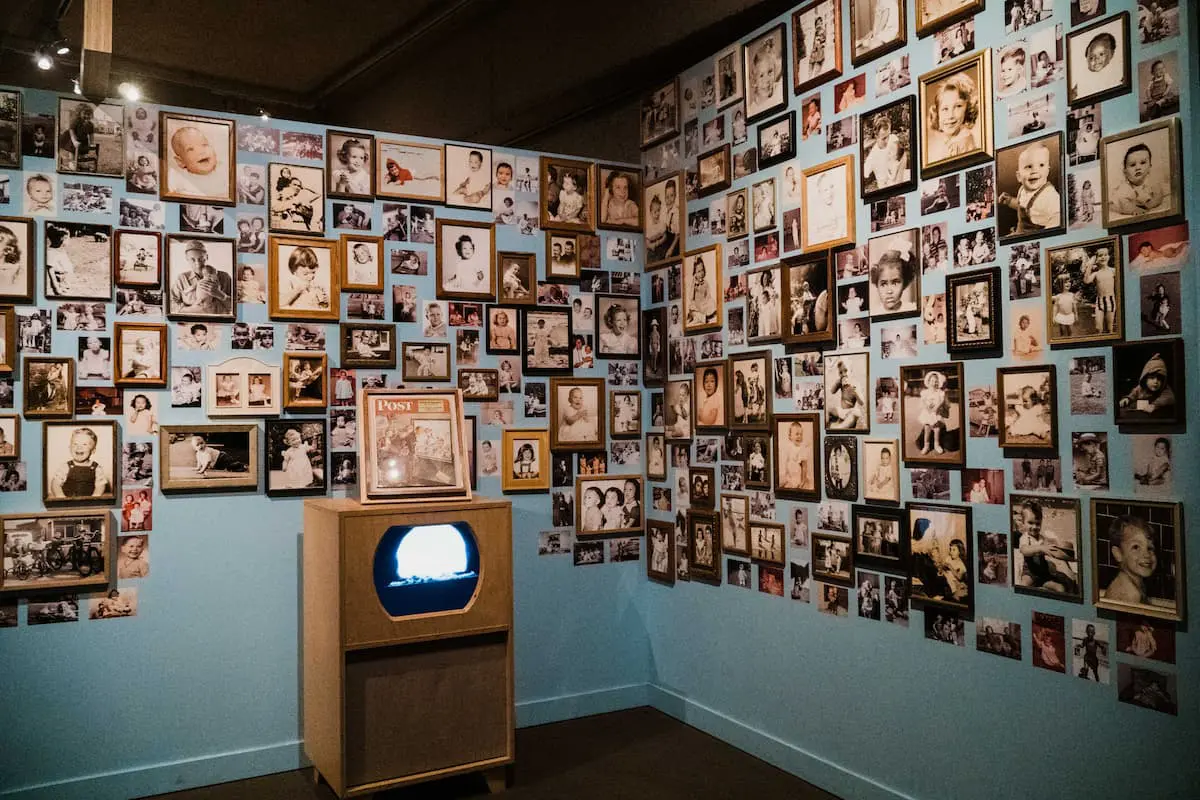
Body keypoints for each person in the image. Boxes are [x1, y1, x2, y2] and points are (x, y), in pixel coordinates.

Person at [998, 142, 1060, 238]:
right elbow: (1022, 206)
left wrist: (1048, 233)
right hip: (1020, 232)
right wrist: (1009, 201)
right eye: (1029, 167)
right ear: (1019, 176)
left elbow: (1058, 215)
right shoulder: (1022, 189)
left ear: (1048, 171)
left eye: (1041, 165)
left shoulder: (1049, 194)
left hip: (1035, 237)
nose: (1035, 171)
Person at [1102, 514, 1158, 605]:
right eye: (1136, 547)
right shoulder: (1130, 594)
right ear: (1118, 554)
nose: (1147, 555)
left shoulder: (1133, 583)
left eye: (1150, 548)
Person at [1108, 143, 1170, 222]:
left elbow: (1159, 196)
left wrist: (1151, 204)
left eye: (1143, 163)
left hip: (1145, 202)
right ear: (1125, 172)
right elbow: (1123, 203)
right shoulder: (1125, 187)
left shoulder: (1152, 182)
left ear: (1150, 167)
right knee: (1113, 203)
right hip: (1125, 202)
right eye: (1132, 165)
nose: (1138, 168)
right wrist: (1134, 209)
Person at [171, 239, 233, 316]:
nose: (198, 264)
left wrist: (220, 295)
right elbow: (171, 304)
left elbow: (237, 306)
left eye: (201, 259)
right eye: (192, 260)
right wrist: (192, 310)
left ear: (206, 257)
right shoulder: (181, 278)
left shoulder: (224, 277)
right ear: (187, 259)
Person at [48, 427, 111, 499]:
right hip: (68, 501)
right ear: (69, 447)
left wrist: (94, 498)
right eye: (75, 444)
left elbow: (100, 486)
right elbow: (55, 484)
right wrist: (61, 497)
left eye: (84, 444)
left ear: (93, 450)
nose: (79, 447)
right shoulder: (65, 467)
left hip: (88, 502)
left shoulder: (97, 468)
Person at [1118, 352, 1175, 418]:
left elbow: (1169, 398)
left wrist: (1155, 405)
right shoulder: (1141, 388)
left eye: (1159, 379)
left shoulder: (1165, 389)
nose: (1156, 381)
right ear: (1145, 379)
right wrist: (1128, 399)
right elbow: (1133, 394)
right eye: (1152, 378)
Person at [1072, 30, 1120, 100]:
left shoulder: (1114, 74)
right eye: (1091, 58)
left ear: (1111, 54)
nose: (1096, 59)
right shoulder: (1084, 77)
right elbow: (1075, 92)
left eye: (1101, 54)